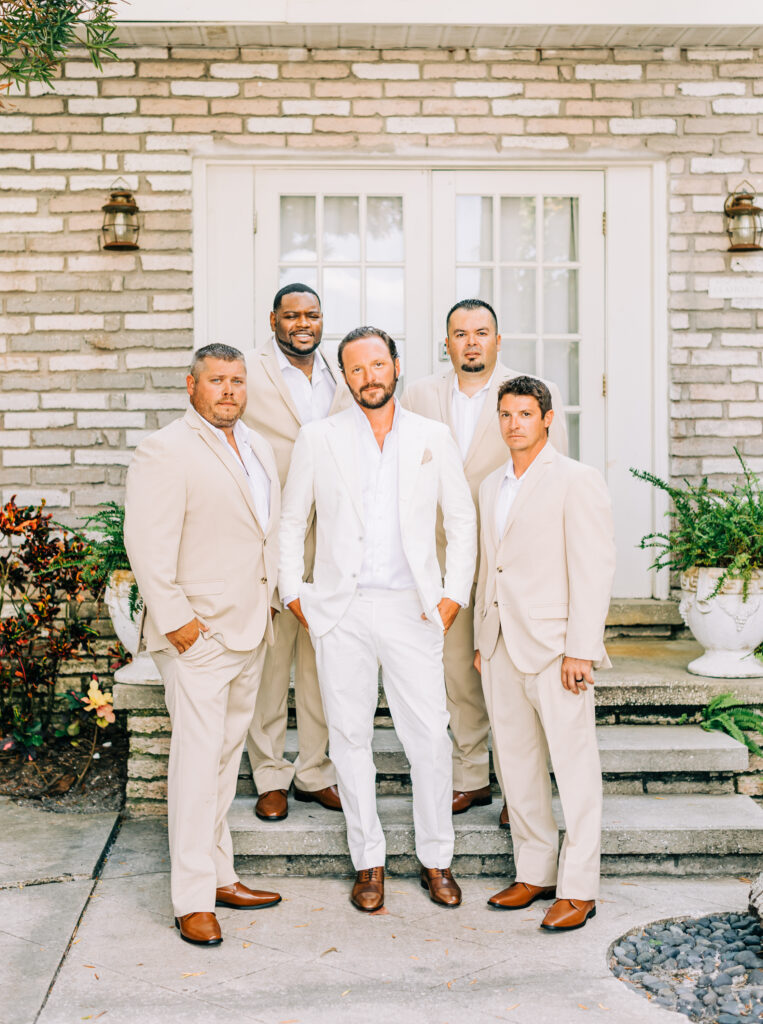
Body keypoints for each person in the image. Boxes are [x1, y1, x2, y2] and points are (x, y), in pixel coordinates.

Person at [279, 326, 477, 912]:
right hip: (340, 611)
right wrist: (297, 595)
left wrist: (450, 598)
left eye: (377, 364)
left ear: (395, 365)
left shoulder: (432, 436)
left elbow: (462, 524)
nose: (369, 376)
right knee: (349, 739)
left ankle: (437, 859)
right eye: (356, 369)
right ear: (346, 377)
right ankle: (369, 862)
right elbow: (291, 524)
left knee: (430, 740)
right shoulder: (318, 438)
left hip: (413, 610)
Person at [124, 344, 282, 947]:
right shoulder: (165, 449)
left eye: (237, 381)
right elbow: (146, 543)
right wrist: (179, 624)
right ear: (192, 385)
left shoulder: (259, 446)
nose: (229, 390)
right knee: (195, 766)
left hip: (249, 628)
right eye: (217, 380)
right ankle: (191, 898)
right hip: (198, 636)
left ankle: (219, 874)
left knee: (222, 761)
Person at [402, 299, 568, 823]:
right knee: (457, 672)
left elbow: (554, 476)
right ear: (446, 342)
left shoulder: (532, 392)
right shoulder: (420, 394)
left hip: (510, 560)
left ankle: (523, 790)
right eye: (459, 333)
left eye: (481, 332)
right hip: (443, 559)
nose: (470, 342)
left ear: (498, 339)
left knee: (515, 673)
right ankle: (470, 775)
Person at [474, 376, 615, 932]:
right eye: (505, 414)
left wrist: (581, 648)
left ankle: (579, 889)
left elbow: (593, 568)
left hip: (558, 650)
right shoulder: (490, 485)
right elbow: (493, 567)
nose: (513, 424)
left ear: (547, 419)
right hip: (502, 645)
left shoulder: (577, 480)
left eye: (525, 414)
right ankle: (535, 871)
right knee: (517, 767)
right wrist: (484, 641)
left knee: (575, 770)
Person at [241, 283, 351, 823]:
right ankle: (269, 774)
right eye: (291, 316)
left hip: (328, 538)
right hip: (271, 533)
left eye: (311, 315)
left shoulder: (338, 373)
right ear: (273, 319)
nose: (302, 324)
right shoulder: (248, 369)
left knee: (319, 660)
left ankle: (314, 770)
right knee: (271, 659)